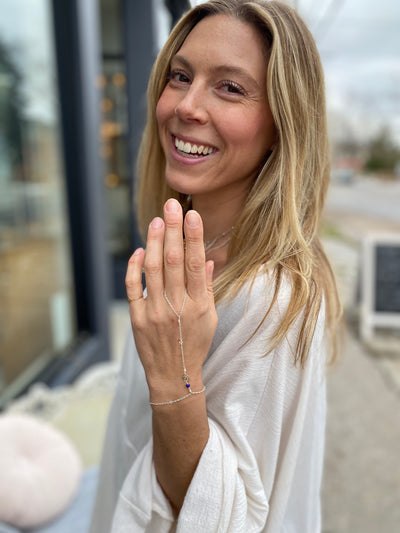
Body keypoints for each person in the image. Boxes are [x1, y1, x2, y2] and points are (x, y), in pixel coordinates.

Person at [90, 1, 341, 531]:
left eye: (230, 87)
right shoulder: (187, 244)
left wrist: (171, 373)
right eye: (180, 76)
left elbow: (222, 514)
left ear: (282, 122)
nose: (187, 106)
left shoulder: (271, 297)